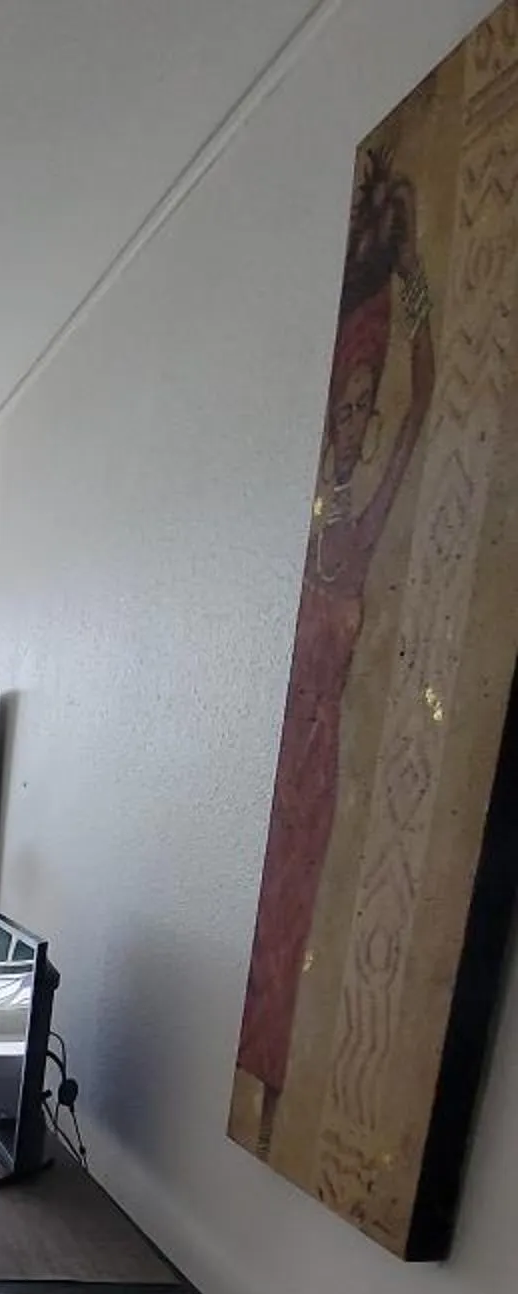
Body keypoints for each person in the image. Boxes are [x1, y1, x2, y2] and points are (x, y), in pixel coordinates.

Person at [237, 147, 438, 1131]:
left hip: (321, 776)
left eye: (362, 408)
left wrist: (419, 294)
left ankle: (273, 1106)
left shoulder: (351, 534)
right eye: (344, 411)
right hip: (282, 783)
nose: (353, 426)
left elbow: (422, 419)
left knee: (293, 951)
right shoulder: (303, 531)